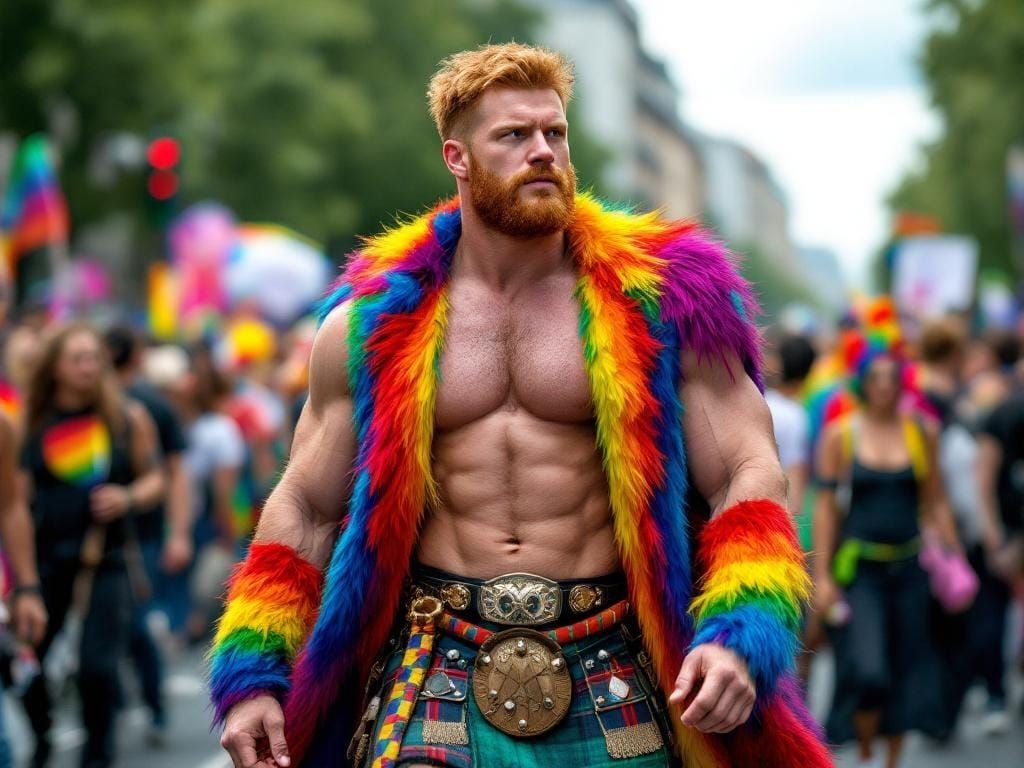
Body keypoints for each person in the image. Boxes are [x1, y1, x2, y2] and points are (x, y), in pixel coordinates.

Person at [210, 43, 830, 768]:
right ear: (458, 157)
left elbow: (746, 475)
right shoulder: (368, 326)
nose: (543, 152)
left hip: (614, 665)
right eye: (513, 136)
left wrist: (738, 630)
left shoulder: (664, 300)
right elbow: (306, 509)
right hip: (433, 660)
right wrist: (253, 674)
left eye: (555, 134)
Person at [18, 323, 165, 768]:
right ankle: (40, 734)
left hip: (108, 559)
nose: (87, 367)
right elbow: (17, 499)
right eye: (75, 358)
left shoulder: (126, 417)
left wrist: (128, 497)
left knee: (97, 668)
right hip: (44, 562)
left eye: (93, 358)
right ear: (54, 368)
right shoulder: (31, 422)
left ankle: (96, 759)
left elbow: (156, 479)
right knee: (29, 665)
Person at [815, 351, 960, 768]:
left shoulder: (922, 431)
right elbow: (825, 507)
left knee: (906, 668)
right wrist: (822, 575)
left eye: (892, 378)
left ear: (903, 384)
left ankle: (890, 761)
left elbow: (935, 498)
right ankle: (863, 745)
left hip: (911, 567)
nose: (884, 386)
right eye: (875, 378)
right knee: (869, 668)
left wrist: (956, 559)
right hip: (861, 570)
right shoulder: (841, 434)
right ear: (863, 383)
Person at [105, 325, 192, 745]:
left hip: (142, 537)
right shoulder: (86, 409)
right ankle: (111, 704)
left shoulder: (150, 407)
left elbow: (175, 475)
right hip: (97, 541)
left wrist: (178, 532)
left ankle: (153, 707)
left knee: (138, 625)